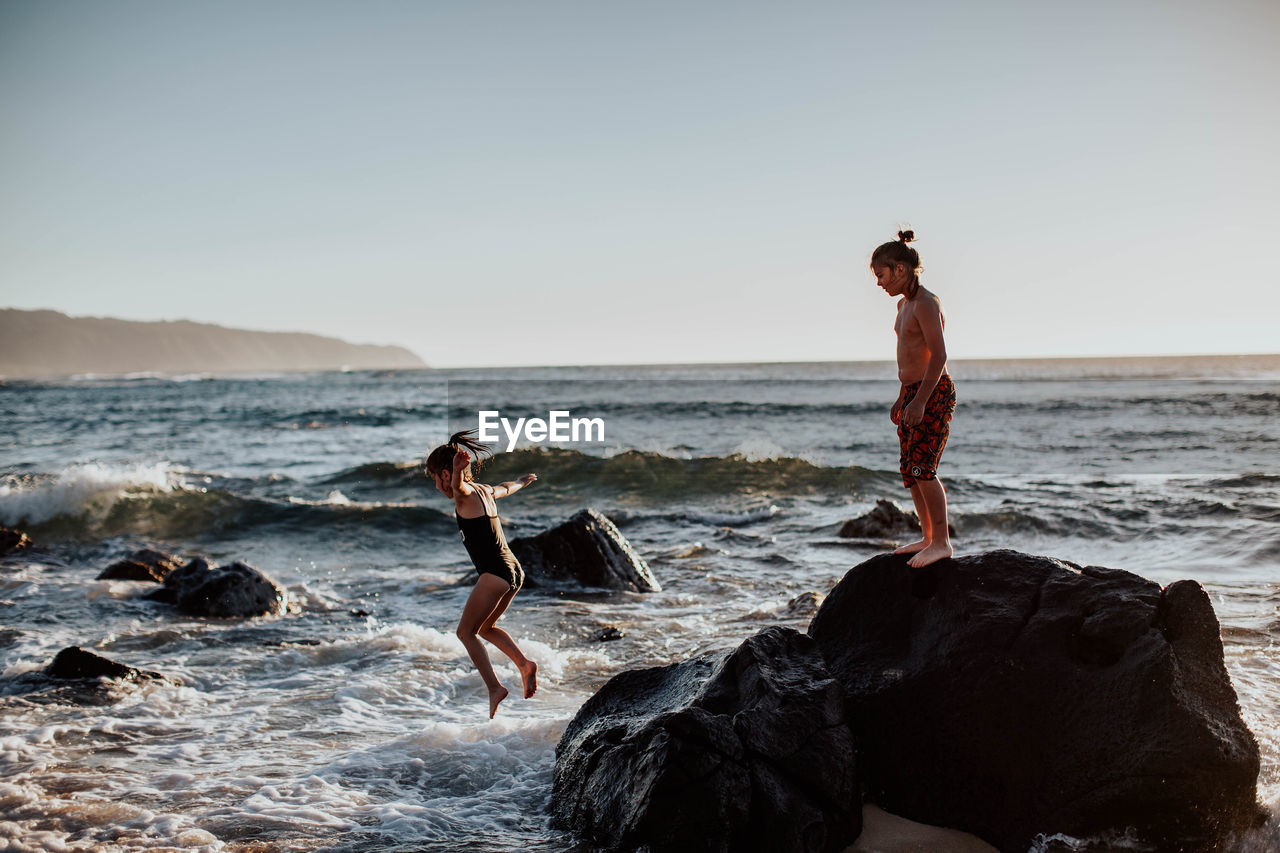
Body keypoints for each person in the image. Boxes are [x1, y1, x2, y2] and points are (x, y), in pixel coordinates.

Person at [426, 430, 538, 718]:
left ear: (444, 474)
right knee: (486, 628)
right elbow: (505, 487)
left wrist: (457, 471)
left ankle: (494, 688)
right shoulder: (485, 491)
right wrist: (522, 482)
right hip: (514, 570)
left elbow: (459, 487)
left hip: (495, 574)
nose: (437, 486)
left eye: (435, 479)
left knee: (465, 632)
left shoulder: (462, 495)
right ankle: (524, 664)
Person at [871, 230, 957, 567]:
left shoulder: (925, 303)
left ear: (901, 270)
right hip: (912, 391)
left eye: (881, 274)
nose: (879, 282)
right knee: (909, 469)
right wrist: (902, 397)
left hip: (932, 390)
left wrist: (920, 401)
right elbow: (909, 355)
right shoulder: (902, 305)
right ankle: (928, 537)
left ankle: (943, 542)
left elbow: (938, 356)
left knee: (924, 467)